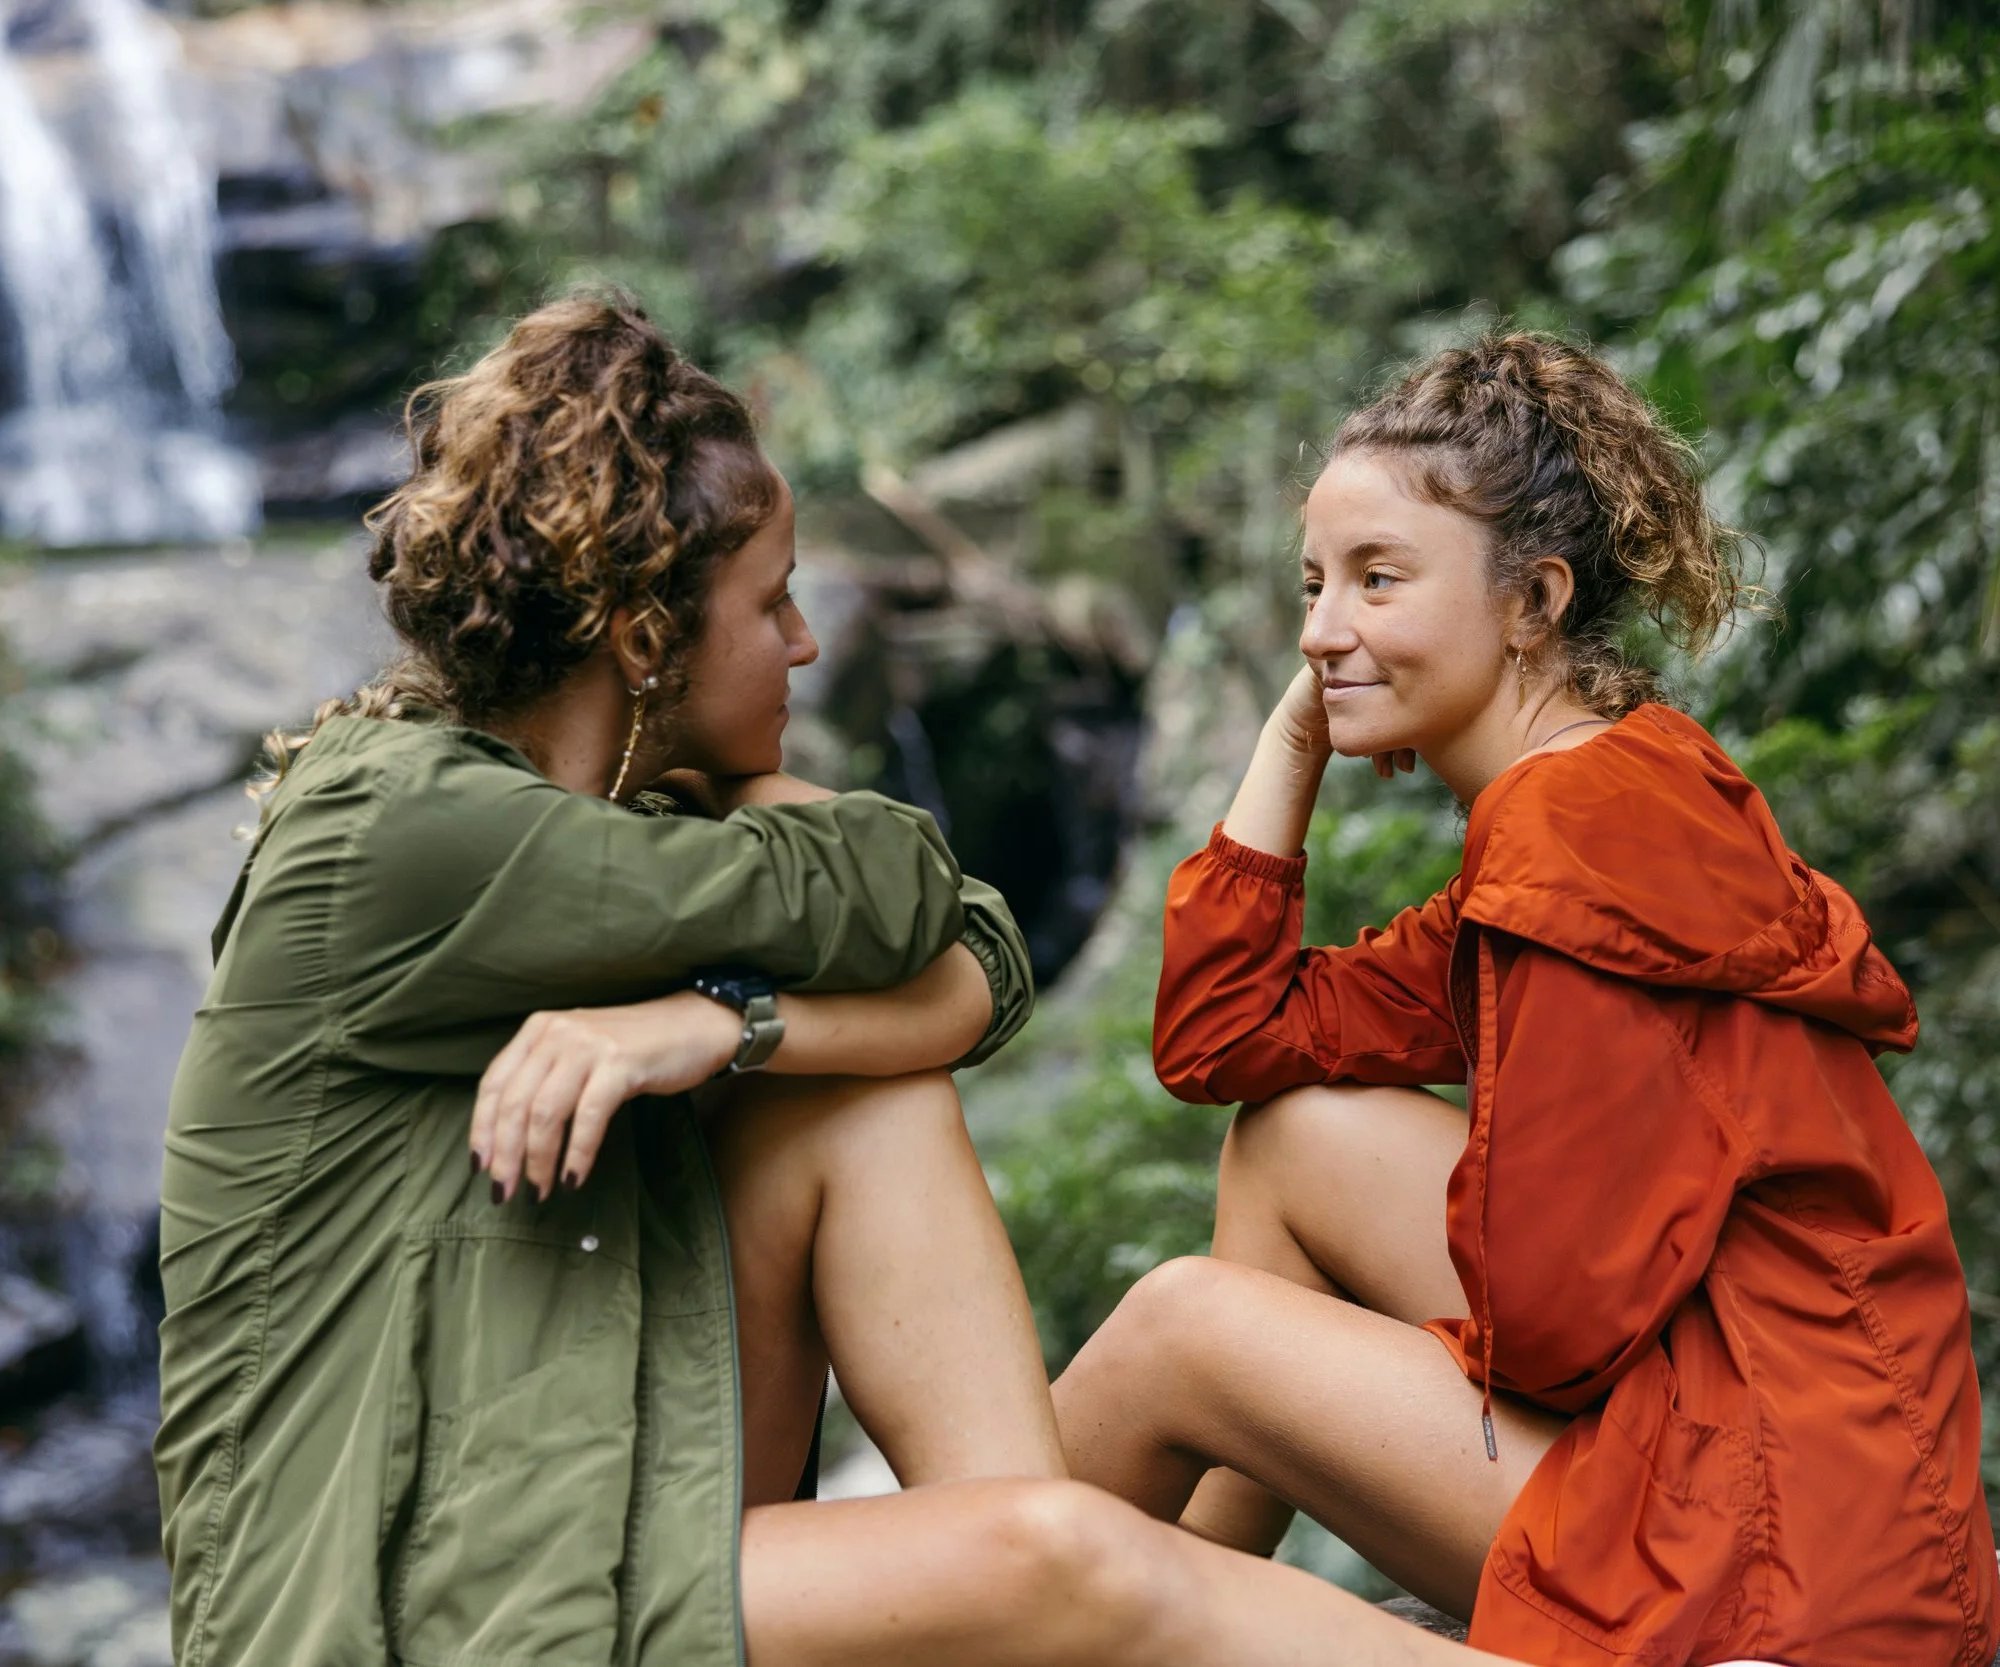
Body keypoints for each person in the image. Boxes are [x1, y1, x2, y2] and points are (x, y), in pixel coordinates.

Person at [153, 294, 1514, 1667]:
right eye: (772, 602)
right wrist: (747, 851)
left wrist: (722, 1023)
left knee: (866, 1101)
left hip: (608, 1512)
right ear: (641, 641)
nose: (807, 643)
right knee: (1065, 1550)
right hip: (417, 1609)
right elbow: (899, 885)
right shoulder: (394, 825)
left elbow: (978, 947)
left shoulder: (622, 824)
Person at [1053, 330, 2000, 1666]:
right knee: (1293, 1133)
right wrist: (1292, 736)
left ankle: (999, 1600)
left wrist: (1333, 1373)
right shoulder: (1601, 788)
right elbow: (1231, 1038)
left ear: (1533, 599)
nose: (1325, 630)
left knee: (1178, 1328)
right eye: (1315, 586)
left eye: (1381, 580)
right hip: (1808, 1472)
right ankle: (1142, 1595)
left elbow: (1553, 1334)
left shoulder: (1574, 836)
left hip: (1779, 1555)